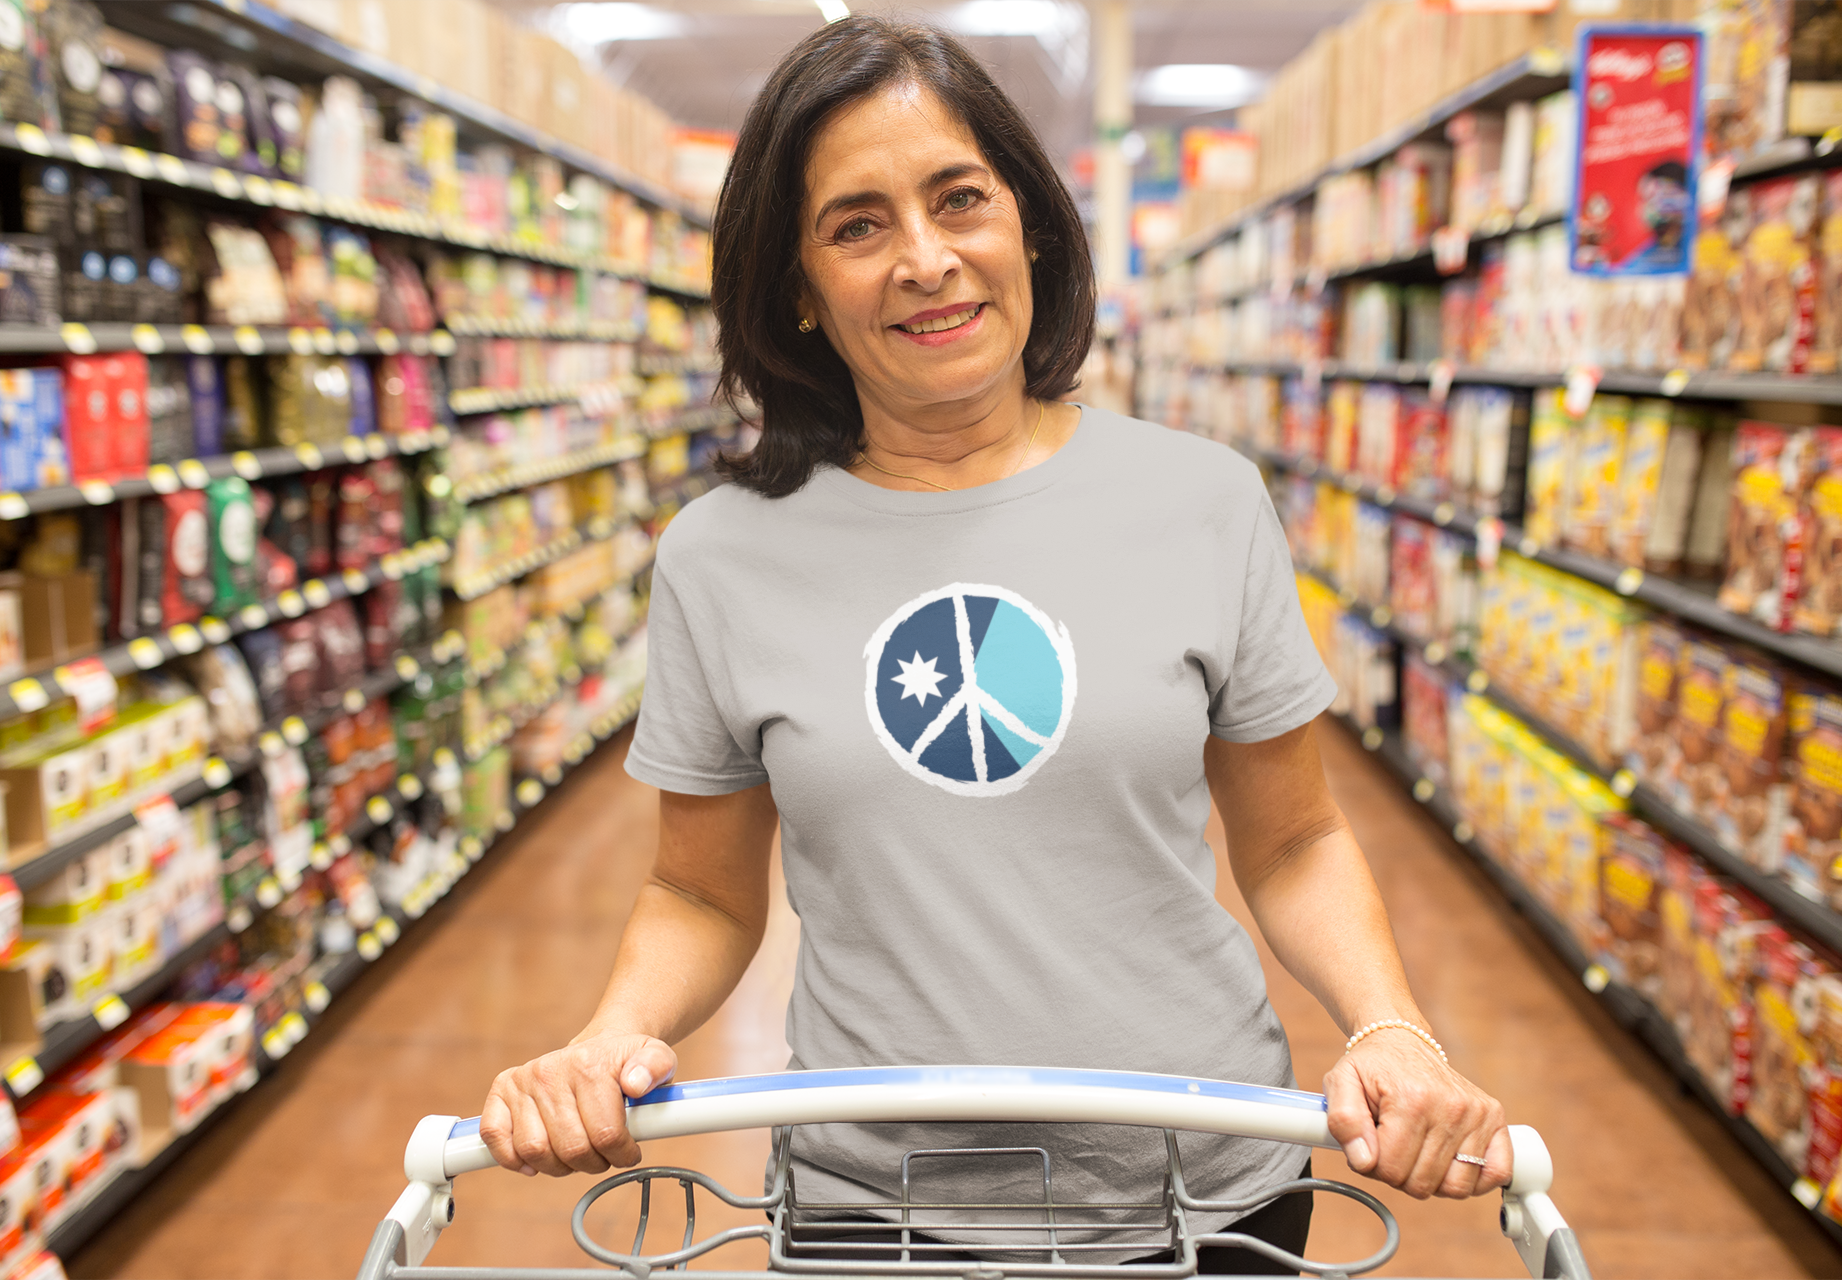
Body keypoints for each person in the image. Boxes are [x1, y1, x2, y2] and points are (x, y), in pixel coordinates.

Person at [481, 15, 1511, 1271]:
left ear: (1027, 221)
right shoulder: (721, 555)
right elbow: (698, 886)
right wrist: (607, 1036)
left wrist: (1390, 1026)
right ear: (797, 293)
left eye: (959, 198)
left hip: (1205, 1190)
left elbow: (1293, 837)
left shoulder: (1205, 498)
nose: (925, 259)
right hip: (873, 1201)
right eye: (856, 225)